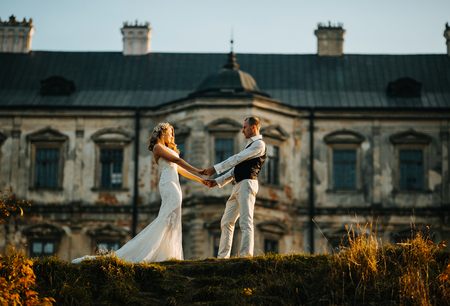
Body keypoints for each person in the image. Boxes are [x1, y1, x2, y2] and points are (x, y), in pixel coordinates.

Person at [72, 122, 207, 264]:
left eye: (173, 133)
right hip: (168, 184)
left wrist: (199, 179)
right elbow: (176, 159)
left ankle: (168, 253)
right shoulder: (158, 147)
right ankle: (158, 252)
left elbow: (179, 168)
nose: (172, 136)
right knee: (166, 218)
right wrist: (198, 170)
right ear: (162, 133)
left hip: (175, 184)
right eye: (170, 132)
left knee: (173, 219)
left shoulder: (167, 148)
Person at [203, 116, 266, 258]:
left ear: (253, 127)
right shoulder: (250, 145)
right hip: (238, 185)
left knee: (245, 221)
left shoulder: (259, 145)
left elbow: (236, 158)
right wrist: (218, 181)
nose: (242, 131)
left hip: (247, 184)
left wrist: (215, 168)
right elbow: (237, 168)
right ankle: (223, 257)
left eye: (245, 127)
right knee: (226, 221)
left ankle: (245, 256)